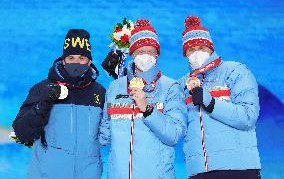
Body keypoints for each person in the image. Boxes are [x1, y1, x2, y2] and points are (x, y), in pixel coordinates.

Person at [99, 19, 187, 179]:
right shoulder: (115, 87)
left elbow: (174, 135)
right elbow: (103, 134)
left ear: (157, 54)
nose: (145, 56)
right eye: (140, 52)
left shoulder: (170, 87)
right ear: (132, 54)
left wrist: (147, 109)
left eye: (150, 51)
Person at [12, 29, 106, 178]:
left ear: (89, 61)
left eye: (82, 58)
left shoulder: (100, 92)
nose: (76, 62)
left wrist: (120, 81)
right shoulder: (42, 88)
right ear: (63, 60)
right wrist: (43, 105)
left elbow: (111, 131)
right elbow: (22, 132)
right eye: (71, 57)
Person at [178, 15, 261, 179]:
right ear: (185, 54)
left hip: (238, 169)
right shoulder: (182, 84)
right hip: (199, 171)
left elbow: (248, 117)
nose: (197, 53)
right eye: (191, 50)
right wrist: (123, 78)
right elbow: (172, 125)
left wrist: (208, 101)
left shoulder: (235, 71)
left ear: (211, 48)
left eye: (201, 48)